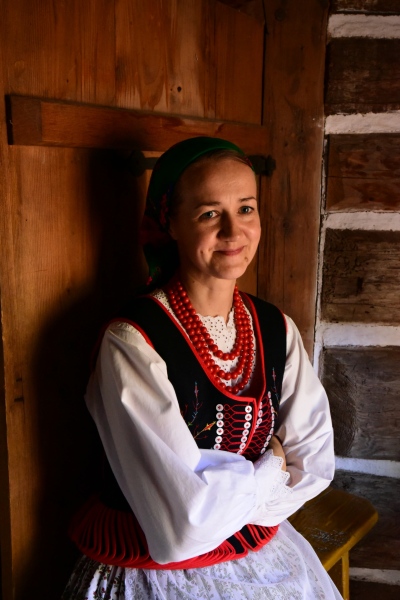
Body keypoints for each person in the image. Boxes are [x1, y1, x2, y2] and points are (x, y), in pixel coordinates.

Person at [62, 137, 342, 599]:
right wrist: (272, 463)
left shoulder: (275, 327)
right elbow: (182, 529)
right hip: (151, 573)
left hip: (260, 551)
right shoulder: (132, 342)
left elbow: (314, 464)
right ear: (170, 222)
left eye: (246, 208)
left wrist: (226, 500)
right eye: (210, 213)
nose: (234, 231)